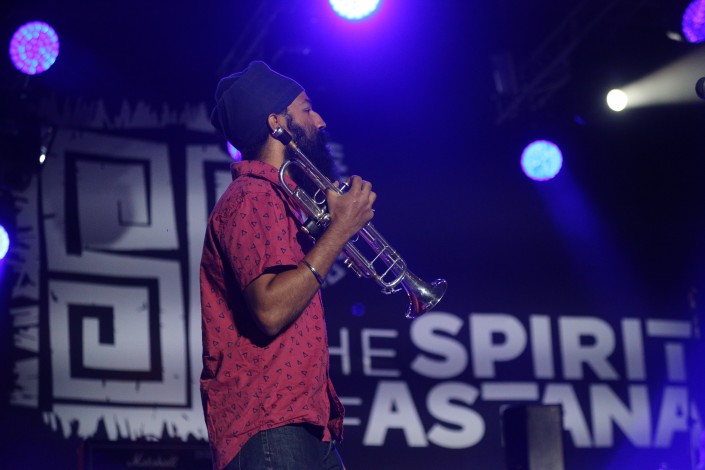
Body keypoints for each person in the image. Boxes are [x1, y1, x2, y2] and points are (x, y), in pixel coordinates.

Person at [200, 60, 375, 470]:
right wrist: (339, 231)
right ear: (276, 123)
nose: (321, 120)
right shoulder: (253, 196)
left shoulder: (280, 198)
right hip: (270, 423)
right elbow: (270, 310)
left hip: (305, 420)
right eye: (307, 109)